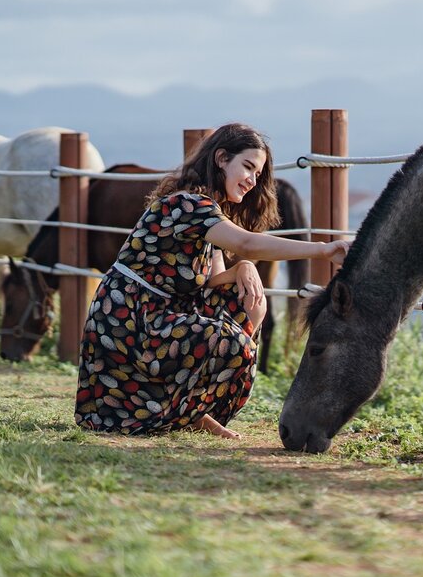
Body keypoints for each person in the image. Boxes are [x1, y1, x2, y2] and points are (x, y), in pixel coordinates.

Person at [74, 124, 348, 438]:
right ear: (221, 159)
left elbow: (215, 280)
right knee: (233, 342)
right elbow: (247, 243)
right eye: (247, 167)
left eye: (257, 174)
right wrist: (324, 250)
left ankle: (191, 410)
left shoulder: (209, 211)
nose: (252, 180)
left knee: (243, 302)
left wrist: (243, 268)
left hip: (155, 317)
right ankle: (189, 412)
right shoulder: (189, 204)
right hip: (130, 323)